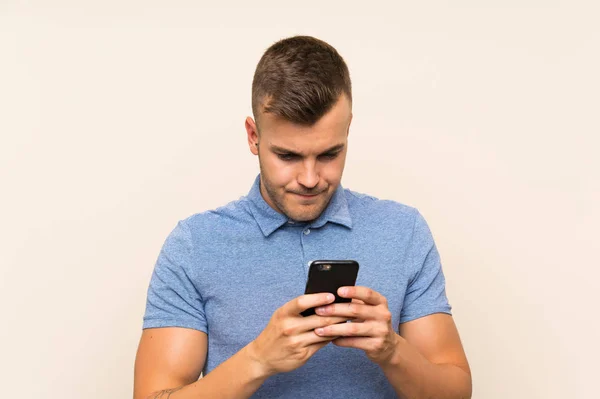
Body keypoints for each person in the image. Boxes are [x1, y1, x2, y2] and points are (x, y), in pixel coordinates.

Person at [134, 35, 472, 399]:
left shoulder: (404, 230)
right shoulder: (194, 244)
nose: (310, 179)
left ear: (348, 131)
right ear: (253, 137)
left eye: (329, 154)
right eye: (289, 156)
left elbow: (456, 392)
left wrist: (392, 350)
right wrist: (258, 359)